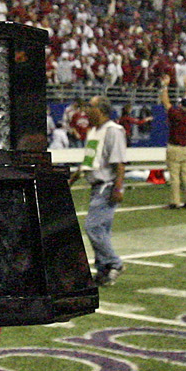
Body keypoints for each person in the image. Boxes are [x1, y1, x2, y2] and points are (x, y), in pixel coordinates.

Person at [76, 96, 125, 286]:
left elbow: (120, 163)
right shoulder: (95, 132)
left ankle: (114, 263)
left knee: (93, 227)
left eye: (90, 106)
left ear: (101, 110)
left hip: (107, 186)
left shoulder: (113, 131)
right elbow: (88, 162)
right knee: (101, 230)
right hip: (96, 186)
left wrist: (118, 188)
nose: (86, 110)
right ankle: (103, 270)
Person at [161, 85, 186, 209]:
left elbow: (165, 102)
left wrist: (165, 85)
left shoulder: (176, 114)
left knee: (175, 177)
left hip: (175, 148)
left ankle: (175, 201)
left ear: (180, 105)